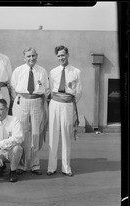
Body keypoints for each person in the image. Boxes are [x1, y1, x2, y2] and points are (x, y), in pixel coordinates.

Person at [10, 47, 49, 175]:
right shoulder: (18, 70)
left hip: (37, 102)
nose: (31, 58)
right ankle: (21, 164)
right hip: (22, 101)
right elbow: (13, 87)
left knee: (36, 133)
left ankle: (35, 164)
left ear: (36, 56)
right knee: (22, 132)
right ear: (24, 58)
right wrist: (19, 100)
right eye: (28, 56)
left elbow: (46, 89)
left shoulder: (42, 71)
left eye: (33, 56)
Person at [47, 45, 82, 177]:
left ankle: (66, 167)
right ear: (57, 57)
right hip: (55, 104)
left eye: (63, 55)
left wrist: (69, 102)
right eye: (59, 56)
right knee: (53, 135)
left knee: (66, 135)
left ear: (68, 55)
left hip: (68, 105)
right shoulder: (53, 72)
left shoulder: (76, 72)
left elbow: (78, 92)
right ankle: (51, 167)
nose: (61, 57)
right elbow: (51, 89)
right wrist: (58, 100)